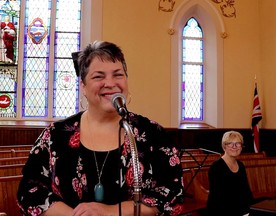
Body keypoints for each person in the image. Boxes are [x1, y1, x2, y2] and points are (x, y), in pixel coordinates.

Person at [17, 40, 184, 216]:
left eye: (118, 75)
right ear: (83, 86)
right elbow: (29, 191)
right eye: (98, 76)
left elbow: (172, 195)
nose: (110, 83)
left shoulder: (153, 134)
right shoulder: (54, 135)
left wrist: (110, 212)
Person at [206, 131, 254, 216]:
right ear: (224, 146)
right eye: (230, 143)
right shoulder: (216, 167)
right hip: (222, 211)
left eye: (238, 143)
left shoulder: (241, 165)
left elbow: (246, 192)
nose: (234, 146)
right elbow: (218, 198)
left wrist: (252, 209)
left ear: (241, 146)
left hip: (241, 209)